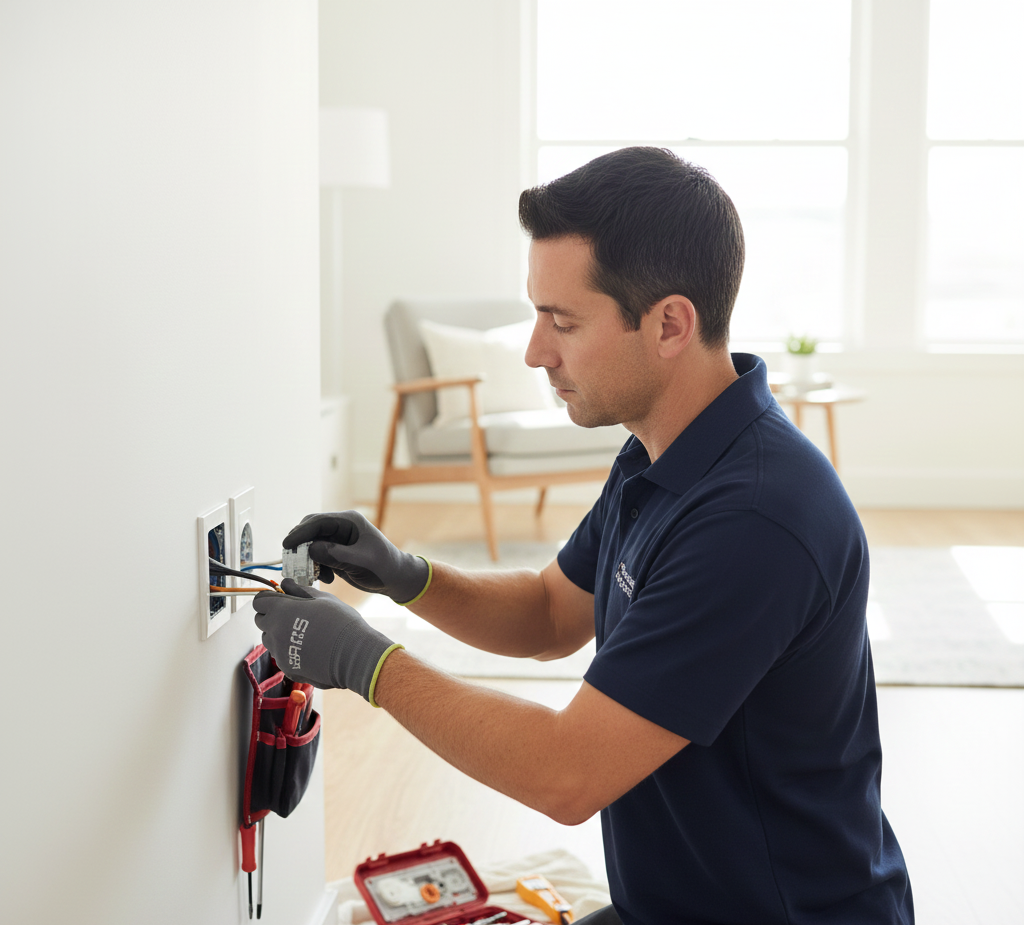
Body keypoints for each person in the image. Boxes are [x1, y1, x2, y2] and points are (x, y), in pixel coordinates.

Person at [255, 147, 913, 925]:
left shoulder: (754, 520)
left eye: (562, 321)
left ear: (670, 323)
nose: (536, 351)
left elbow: (567, 773)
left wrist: (363, 661)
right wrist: (405, 574)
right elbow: (550, 613)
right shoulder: (661, 453)